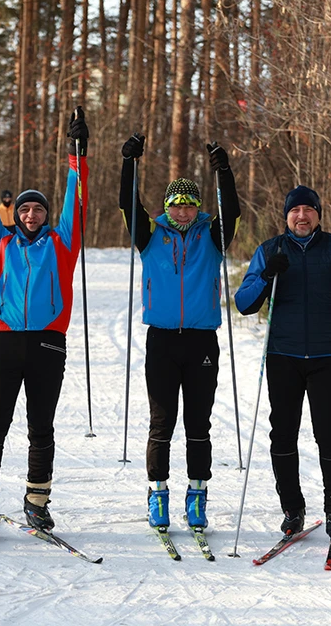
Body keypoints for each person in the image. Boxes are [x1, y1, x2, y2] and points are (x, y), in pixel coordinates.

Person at [0, 108, 89, 532]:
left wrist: (77, 156)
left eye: (38, 210)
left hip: (49, 343)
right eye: (26, 209)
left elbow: (77, 200)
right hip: (7, 342)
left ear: (47, 215)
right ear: (16, 214)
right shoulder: (1, 242)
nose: (31, 214)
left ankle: (37, 500)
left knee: (41, 425)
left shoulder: (62, 243)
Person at [233, 185, 331, 540]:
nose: (301, 216)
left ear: (317, 215)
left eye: (308, 210)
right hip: (283, 355)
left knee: (329, 434)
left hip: (327, 356)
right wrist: (268, 276)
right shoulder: (270, 250)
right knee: (282, 434)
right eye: (295, 210)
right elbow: (244, 302)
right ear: (286, 216)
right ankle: (292, 510)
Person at [118, 134, 241, 530]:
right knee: (162, 420)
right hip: (162, 340)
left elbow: (233, 209)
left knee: (198, 422)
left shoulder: (213, 235)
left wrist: (223, 170)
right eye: (177, 205)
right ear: (167, 207)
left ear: (198, 208)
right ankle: (158, 494)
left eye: (189, 205)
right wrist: (129, 163)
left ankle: (197, 495)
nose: (184, 211)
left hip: (202, 340)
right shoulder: (150, 235)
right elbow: (127, 204)